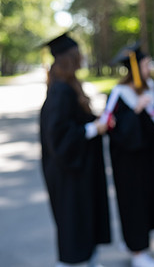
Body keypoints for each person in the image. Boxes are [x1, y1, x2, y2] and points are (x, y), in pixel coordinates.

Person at [40, 32, 111, 267]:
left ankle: (88, 260)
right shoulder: (60, 91)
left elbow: (76, 120)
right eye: (78, 54)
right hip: (67, 173)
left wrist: (96, 120)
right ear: (70, 58)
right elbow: (59, 137)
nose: (82, 58)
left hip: (76, 171)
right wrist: (93, 129)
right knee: (74, 228)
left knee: (83, 223)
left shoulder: (67, 85)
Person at [102, 43, 154, 267]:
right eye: (144, 64)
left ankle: (139, 244)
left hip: (149, 157)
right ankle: (137, 252)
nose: (148, 67)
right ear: (134, 67)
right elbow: (112, 127)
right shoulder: (119, 93)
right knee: (133, 203)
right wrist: (136, 110)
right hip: (127, 161)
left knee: (151, 199)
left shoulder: (150, 86)